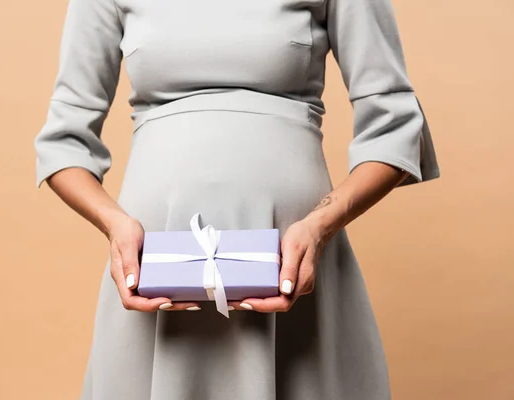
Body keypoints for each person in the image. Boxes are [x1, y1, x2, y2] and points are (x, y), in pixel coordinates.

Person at [34, 0, 440, 399]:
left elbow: (397, 125)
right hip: (155, 272)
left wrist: (318, 226)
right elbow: (63, 143)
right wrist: (115, 225)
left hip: (296, 267)